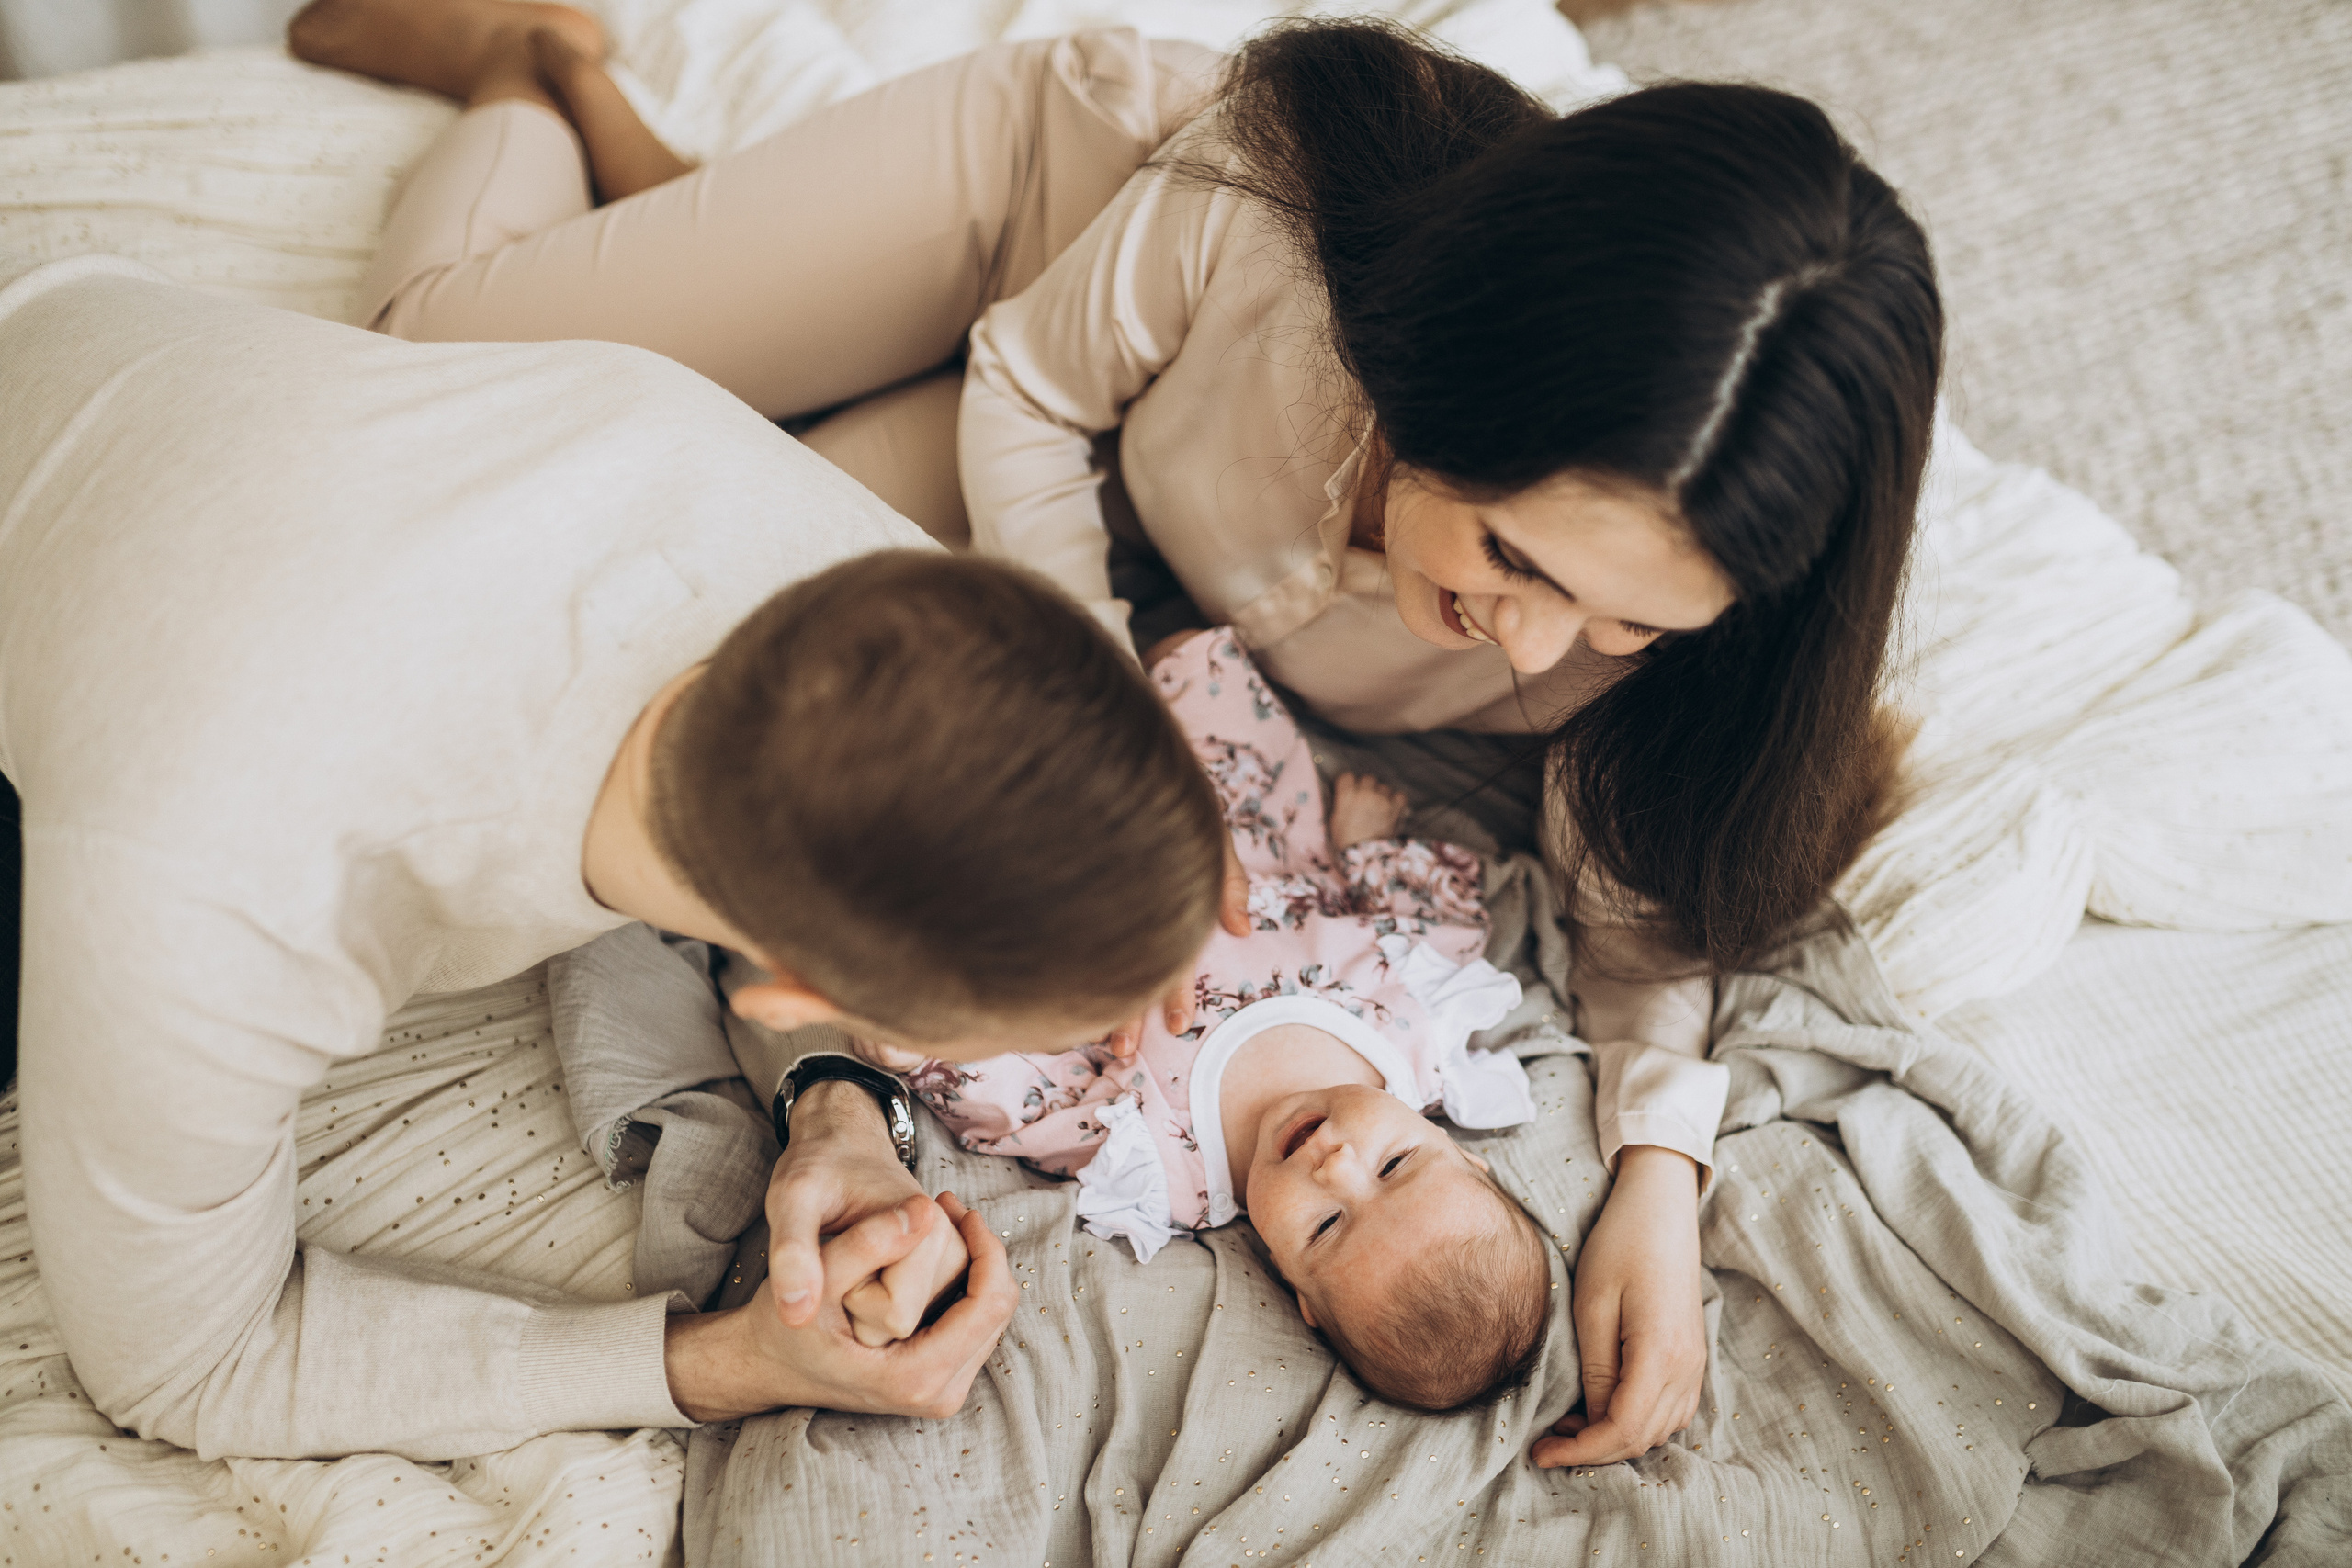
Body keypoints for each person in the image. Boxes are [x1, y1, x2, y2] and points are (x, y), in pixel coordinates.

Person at [286, 0, 1944, 1465]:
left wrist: (1659, 1170)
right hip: (1036, 289)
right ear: (1447, 383)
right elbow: (1022, 387)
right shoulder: (1269, 219)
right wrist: (1126, 733)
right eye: (1511, 557)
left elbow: (1640, 905)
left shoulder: (1680, 621)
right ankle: (530, 55)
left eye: (1630, 621)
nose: (1539, 648)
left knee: (703, 503)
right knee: (414, 375)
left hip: (1095, 518)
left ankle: (652, 173)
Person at [0, 254, 1234, 1458]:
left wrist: (839, 1107)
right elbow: (190, 1361)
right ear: (785, 984)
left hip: (115, 347)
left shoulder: (814, 555)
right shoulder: (209, 897)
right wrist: (730, 1357)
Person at [846, 628, 1550, 1413]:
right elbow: (1424, 915)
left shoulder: (1164, 1173)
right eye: (1394, 1166)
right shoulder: (1421, 1029)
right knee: (1191, 662)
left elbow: (1030, 1101)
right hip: (1240, 833)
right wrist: (1366, 848)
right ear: (1462, 1150)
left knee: (933, 812)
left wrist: (926, 1036)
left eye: (1325, 1227)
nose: (1334, 1164)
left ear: (1296, 1292)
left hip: (1064, 886)